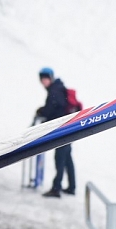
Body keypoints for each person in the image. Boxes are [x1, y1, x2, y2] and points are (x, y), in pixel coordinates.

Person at [36, 67, 75, 197]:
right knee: (67, 157)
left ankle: (56, 188)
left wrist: (43, 113)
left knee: (60, 157)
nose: (43, 82)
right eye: (42, 79)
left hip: (62, 129)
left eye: (45, 79)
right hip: (68, 128)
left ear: (50, 77)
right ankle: (71, 187)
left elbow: (54, 108)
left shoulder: (55, 90)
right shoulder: (58, 88)